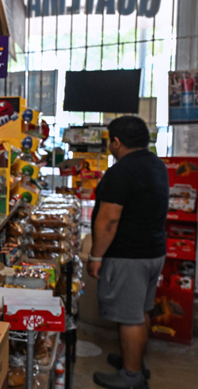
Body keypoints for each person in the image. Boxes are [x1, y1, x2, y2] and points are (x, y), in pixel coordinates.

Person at [88, 116, 169, 389]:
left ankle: (131, 377)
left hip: (129, 256)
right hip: (153, 251)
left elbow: (108, 220)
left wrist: (96, 256)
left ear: (116, 142)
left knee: (129, 317)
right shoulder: (156, 165)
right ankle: (134, 361)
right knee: (142, 310)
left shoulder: (121, 171)